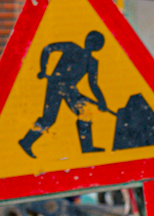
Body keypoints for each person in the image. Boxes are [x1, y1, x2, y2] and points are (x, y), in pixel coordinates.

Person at [19, 30, 112, 158]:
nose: (89, 44)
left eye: (93, 43)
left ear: (98, 47)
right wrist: (43, 69)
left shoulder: (92, 62)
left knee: (84, 113)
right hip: (55, 84)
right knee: (49, 119)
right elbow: (48, 48)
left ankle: (87, 148)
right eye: (89, 40)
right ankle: (26, 142)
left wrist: (102, 101)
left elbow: (93, 84)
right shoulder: (72, 47)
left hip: (70, 89)